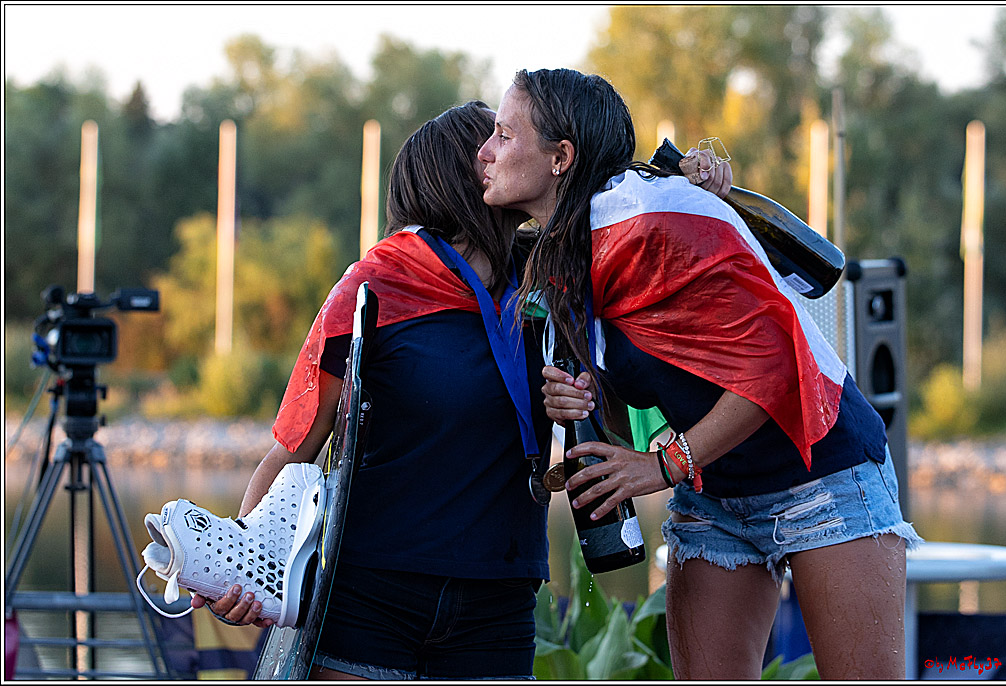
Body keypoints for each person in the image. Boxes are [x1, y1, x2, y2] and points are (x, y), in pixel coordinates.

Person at [476, 68, 922, 680]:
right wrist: (588, 397)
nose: (485, 152)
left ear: (561, 158)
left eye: (503, 134)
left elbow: (775, 367)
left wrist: (662, 466)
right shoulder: (566, 254)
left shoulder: (652, 221)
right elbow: (635, 406)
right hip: (714, 488)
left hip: (822, 468)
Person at [193, 100, 554, 680]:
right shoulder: (375, 286)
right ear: (464, 176)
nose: (506, 152)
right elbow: (292, 450)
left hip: (500, 600)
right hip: (369, 597)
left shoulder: (550, 282)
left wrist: (698, 180)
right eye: (496, 140)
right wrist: (243, 565)